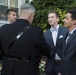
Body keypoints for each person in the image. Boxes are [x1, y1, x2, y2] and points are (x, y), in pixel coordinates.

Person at [0, 3, 50, 75]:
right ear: (30, 15)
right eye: (33, 16)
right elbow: (46, 51)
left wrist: (8, 58)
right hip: (27, 69)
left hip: (7, 69)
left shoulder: (3, 29)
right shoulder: (35, 32)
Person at [44, 10, 68, 75]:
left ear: (57, 19)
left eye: (52, 17)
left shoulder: (65, 31)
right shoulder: (45, 34)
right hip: (50, 65)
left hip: (62, 64)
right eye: (48, 17)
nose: (50, 19)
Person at [59, 9, 76, 75]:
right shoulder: (66, 33)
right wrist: (61, 71)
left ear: (74, 21)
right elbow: (64, 55)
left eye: (66, 18)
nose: (64, 20)